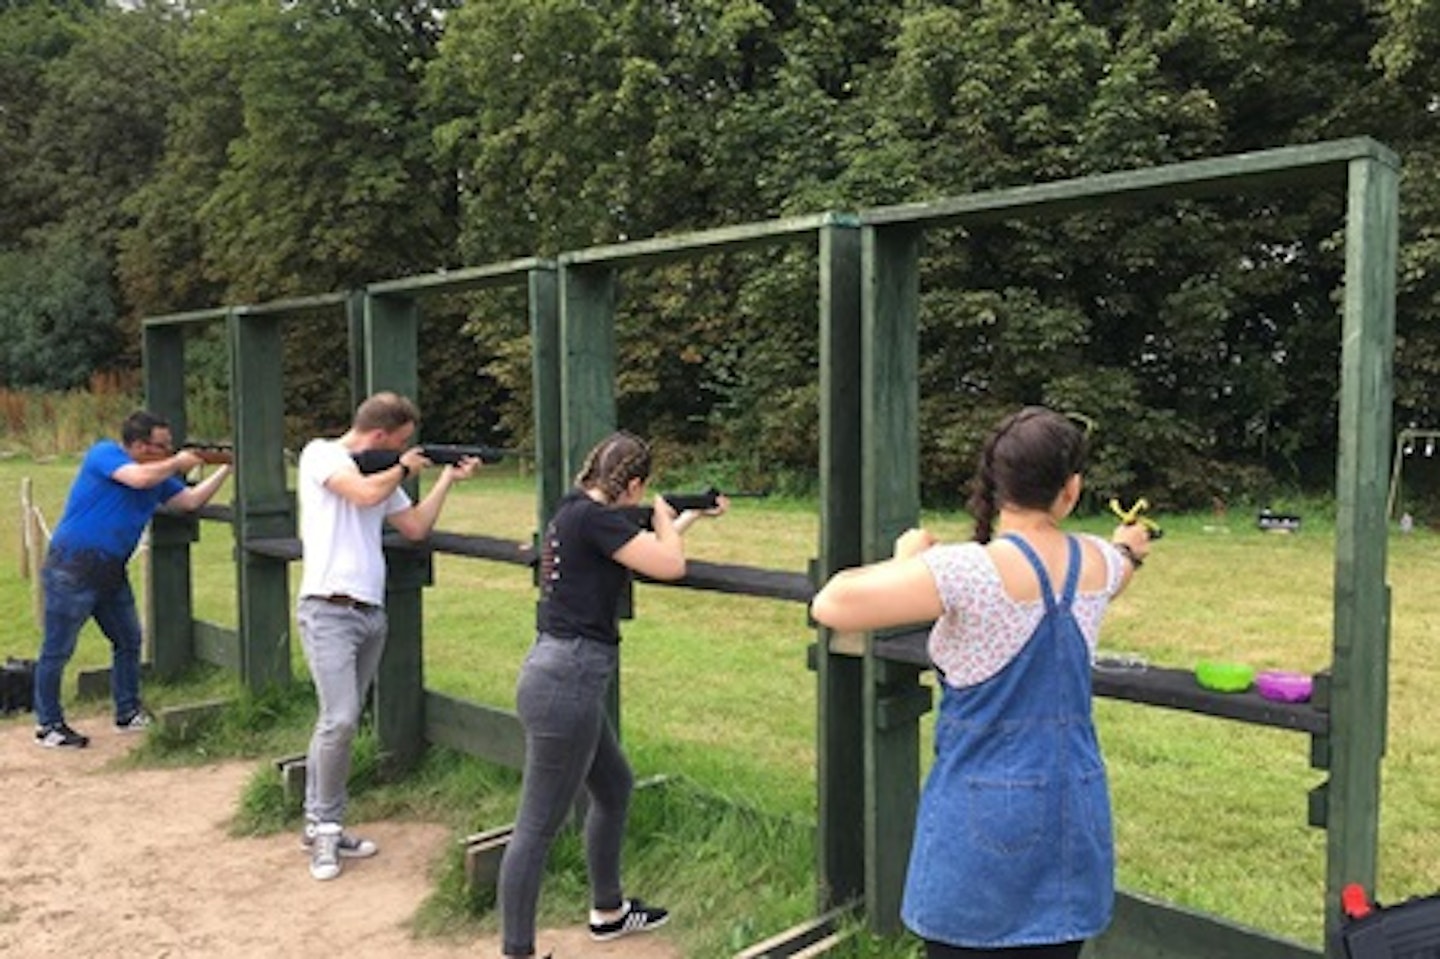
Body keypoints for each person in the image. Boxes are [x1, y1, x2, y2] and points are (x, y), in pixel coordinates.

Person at [809, 406, 1153, 959]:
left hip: (980, 829)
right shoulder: (1095, 560)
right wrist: (1130, 546)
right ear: (1071, 491)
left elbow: (832, 603)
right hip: (1073, 818)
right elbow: (1122, 566)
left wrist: (903, 560)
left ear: (996, 486)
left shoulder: (966, 571)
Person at [497, 431, 726, 959]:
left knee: (615, 786)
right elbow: (670, 564)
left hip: (557, 673)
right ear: (636, 483)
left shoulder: (576, 510)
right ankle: (517, 952)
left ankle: (609, 911)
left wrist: (684, 517)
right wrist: (669, 520)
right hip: (568, 681)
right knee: (536, 826)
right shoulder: (595, 520)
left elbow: (641, 547)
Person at [295, 391, 480, 881]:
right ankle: (325, 825)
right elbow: (363, 495)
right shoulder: (323, 455)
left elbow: (415, 527)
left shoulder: (383, 473)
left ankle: (321, 822)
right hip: (328, 609)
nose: (402, 451)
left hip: (369, 613)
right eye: (400, 443)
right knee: (339, 720)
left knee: (342, 721)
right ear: (380, 438)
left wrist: (444, 478)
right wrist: (403, 468)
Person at [34, 410, 232, 748]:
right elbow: (138, 479)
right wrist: (178, 463)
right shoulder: (105, 454)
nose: (168, 451)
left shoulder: (156, 474)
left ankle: (127, 711)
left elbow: (190, 501)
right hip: (74, 566)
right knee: (57, 649)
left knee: (128, 639)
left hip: (110, 569)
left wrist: (228, 467)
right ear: (138, 445)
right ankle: (48, 724)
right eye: (162, 445)